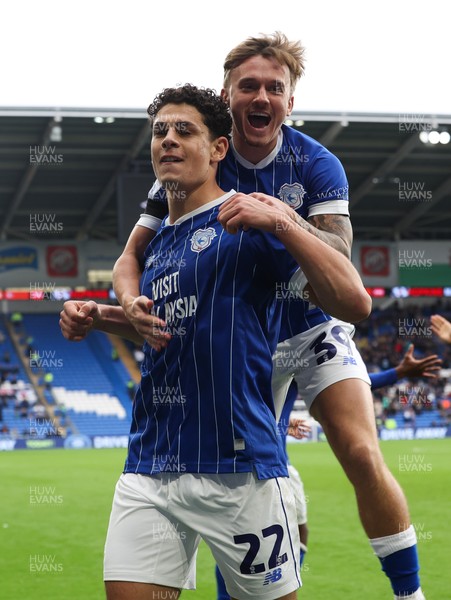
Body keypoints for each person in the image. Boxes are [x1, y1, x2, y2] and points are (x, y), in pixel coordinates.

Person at [110, 32, 425, 600]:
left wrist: (281, 215)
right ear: (227, 94)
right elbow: (131, 255)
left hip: (309, 320)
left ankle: (409, 592)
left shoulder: (316, 163)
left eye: (274, 88)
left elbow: (342, 268)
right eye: (248, 85)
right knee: (249, 471)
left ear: (290, 102)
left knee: (357, 449)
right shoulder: (202, 154)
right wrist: (127, 305)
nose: (262, 96)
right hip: (251, 330)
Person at [60, 84, 370, 600]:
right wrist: (100, 317)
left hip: (239, 469)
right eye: (160, 131)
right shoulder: (156, 244)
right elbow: (165, 326)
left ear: (219, 149)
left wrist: (286, 225)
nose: (169, 141)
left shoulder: (250, 220)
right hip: (150, 467)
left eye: (185, 130)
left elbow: (354, 302)